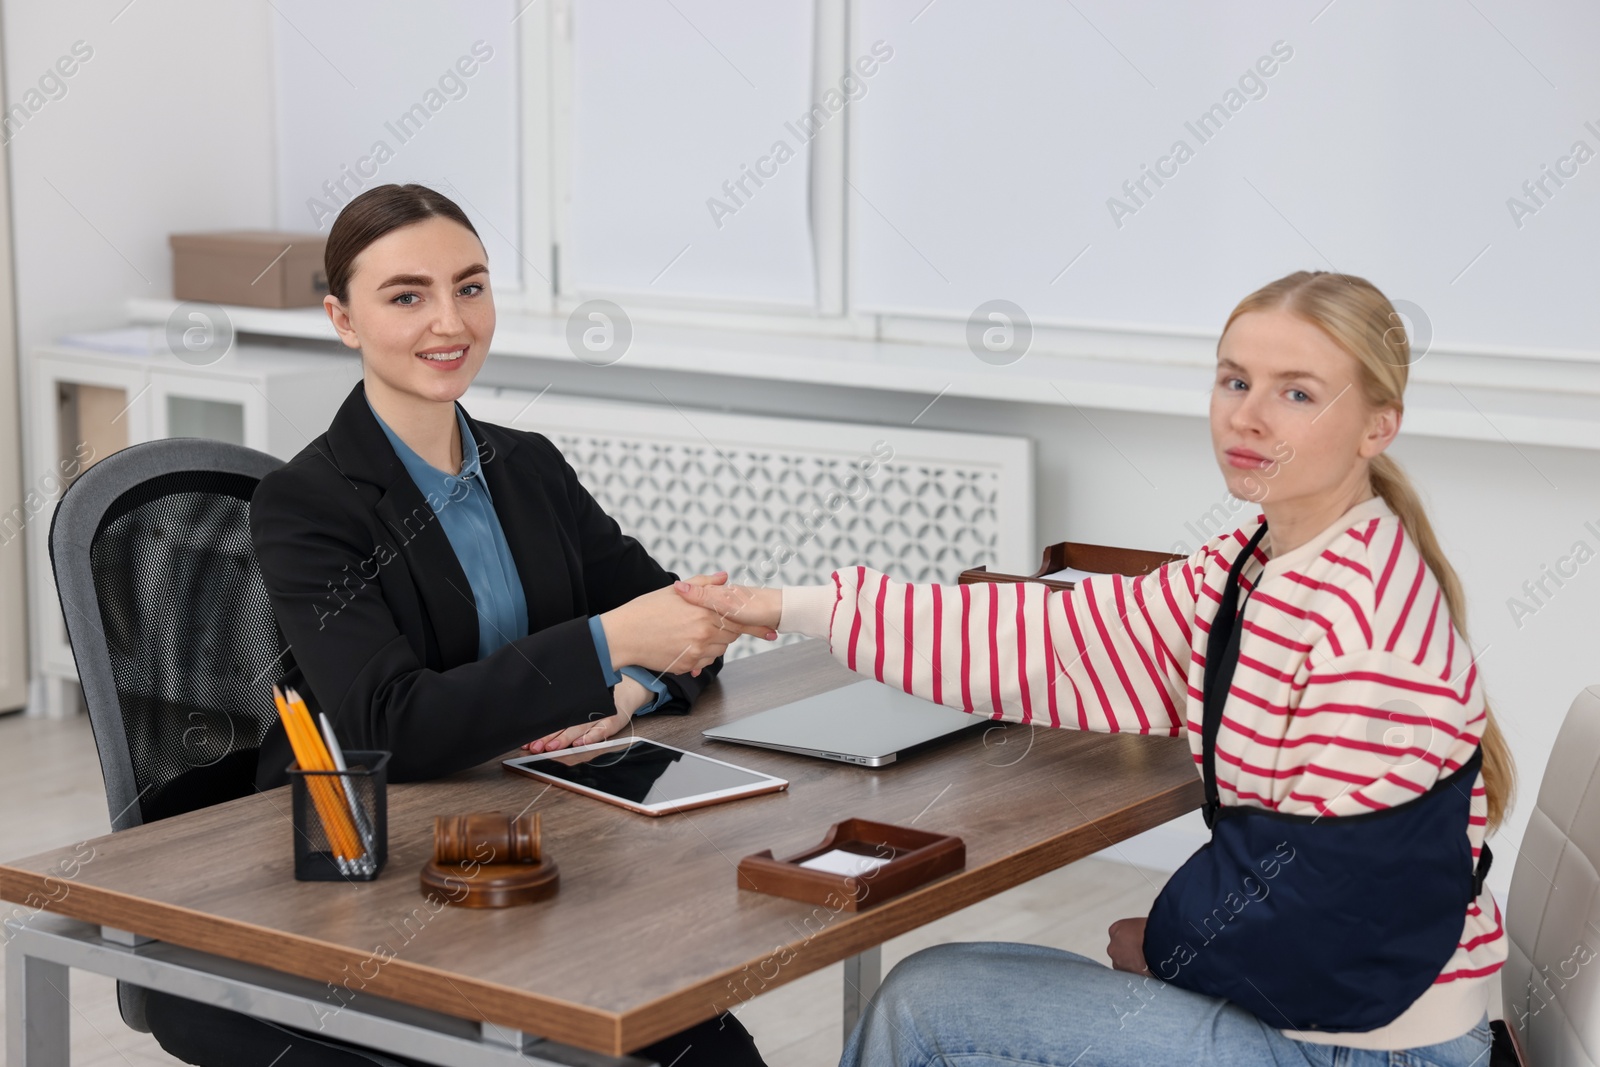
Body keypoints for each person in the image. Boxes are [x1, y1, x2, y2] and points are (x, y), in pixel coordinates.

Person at [676, 270, 1513, 1066]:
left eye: (1296, 392)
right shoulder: (1258, 563)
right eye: (1234, 381)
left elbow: (1332, 909)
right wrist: (797, 608)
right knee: (949, 983)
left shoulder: (1364, 635)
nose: (1249, 417)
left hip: (1367, 1041)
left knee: (925, 1007)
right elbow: (1064, 633)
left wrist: (1169, 950)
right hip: (1332, 1008)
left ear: (1378, 424)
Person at [141, 183, 773, 1067]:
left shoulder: (527, 465)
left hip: (529, 839)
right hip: (371, 878)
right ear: (343, 318)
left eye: (470, 287)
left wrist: (628, 686)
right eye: (407, 296)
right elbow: (392, 725)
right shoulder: (308, 505)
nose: (450, 321)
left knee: (701, 1037)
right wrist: (611, 643)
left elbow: (673, 616)